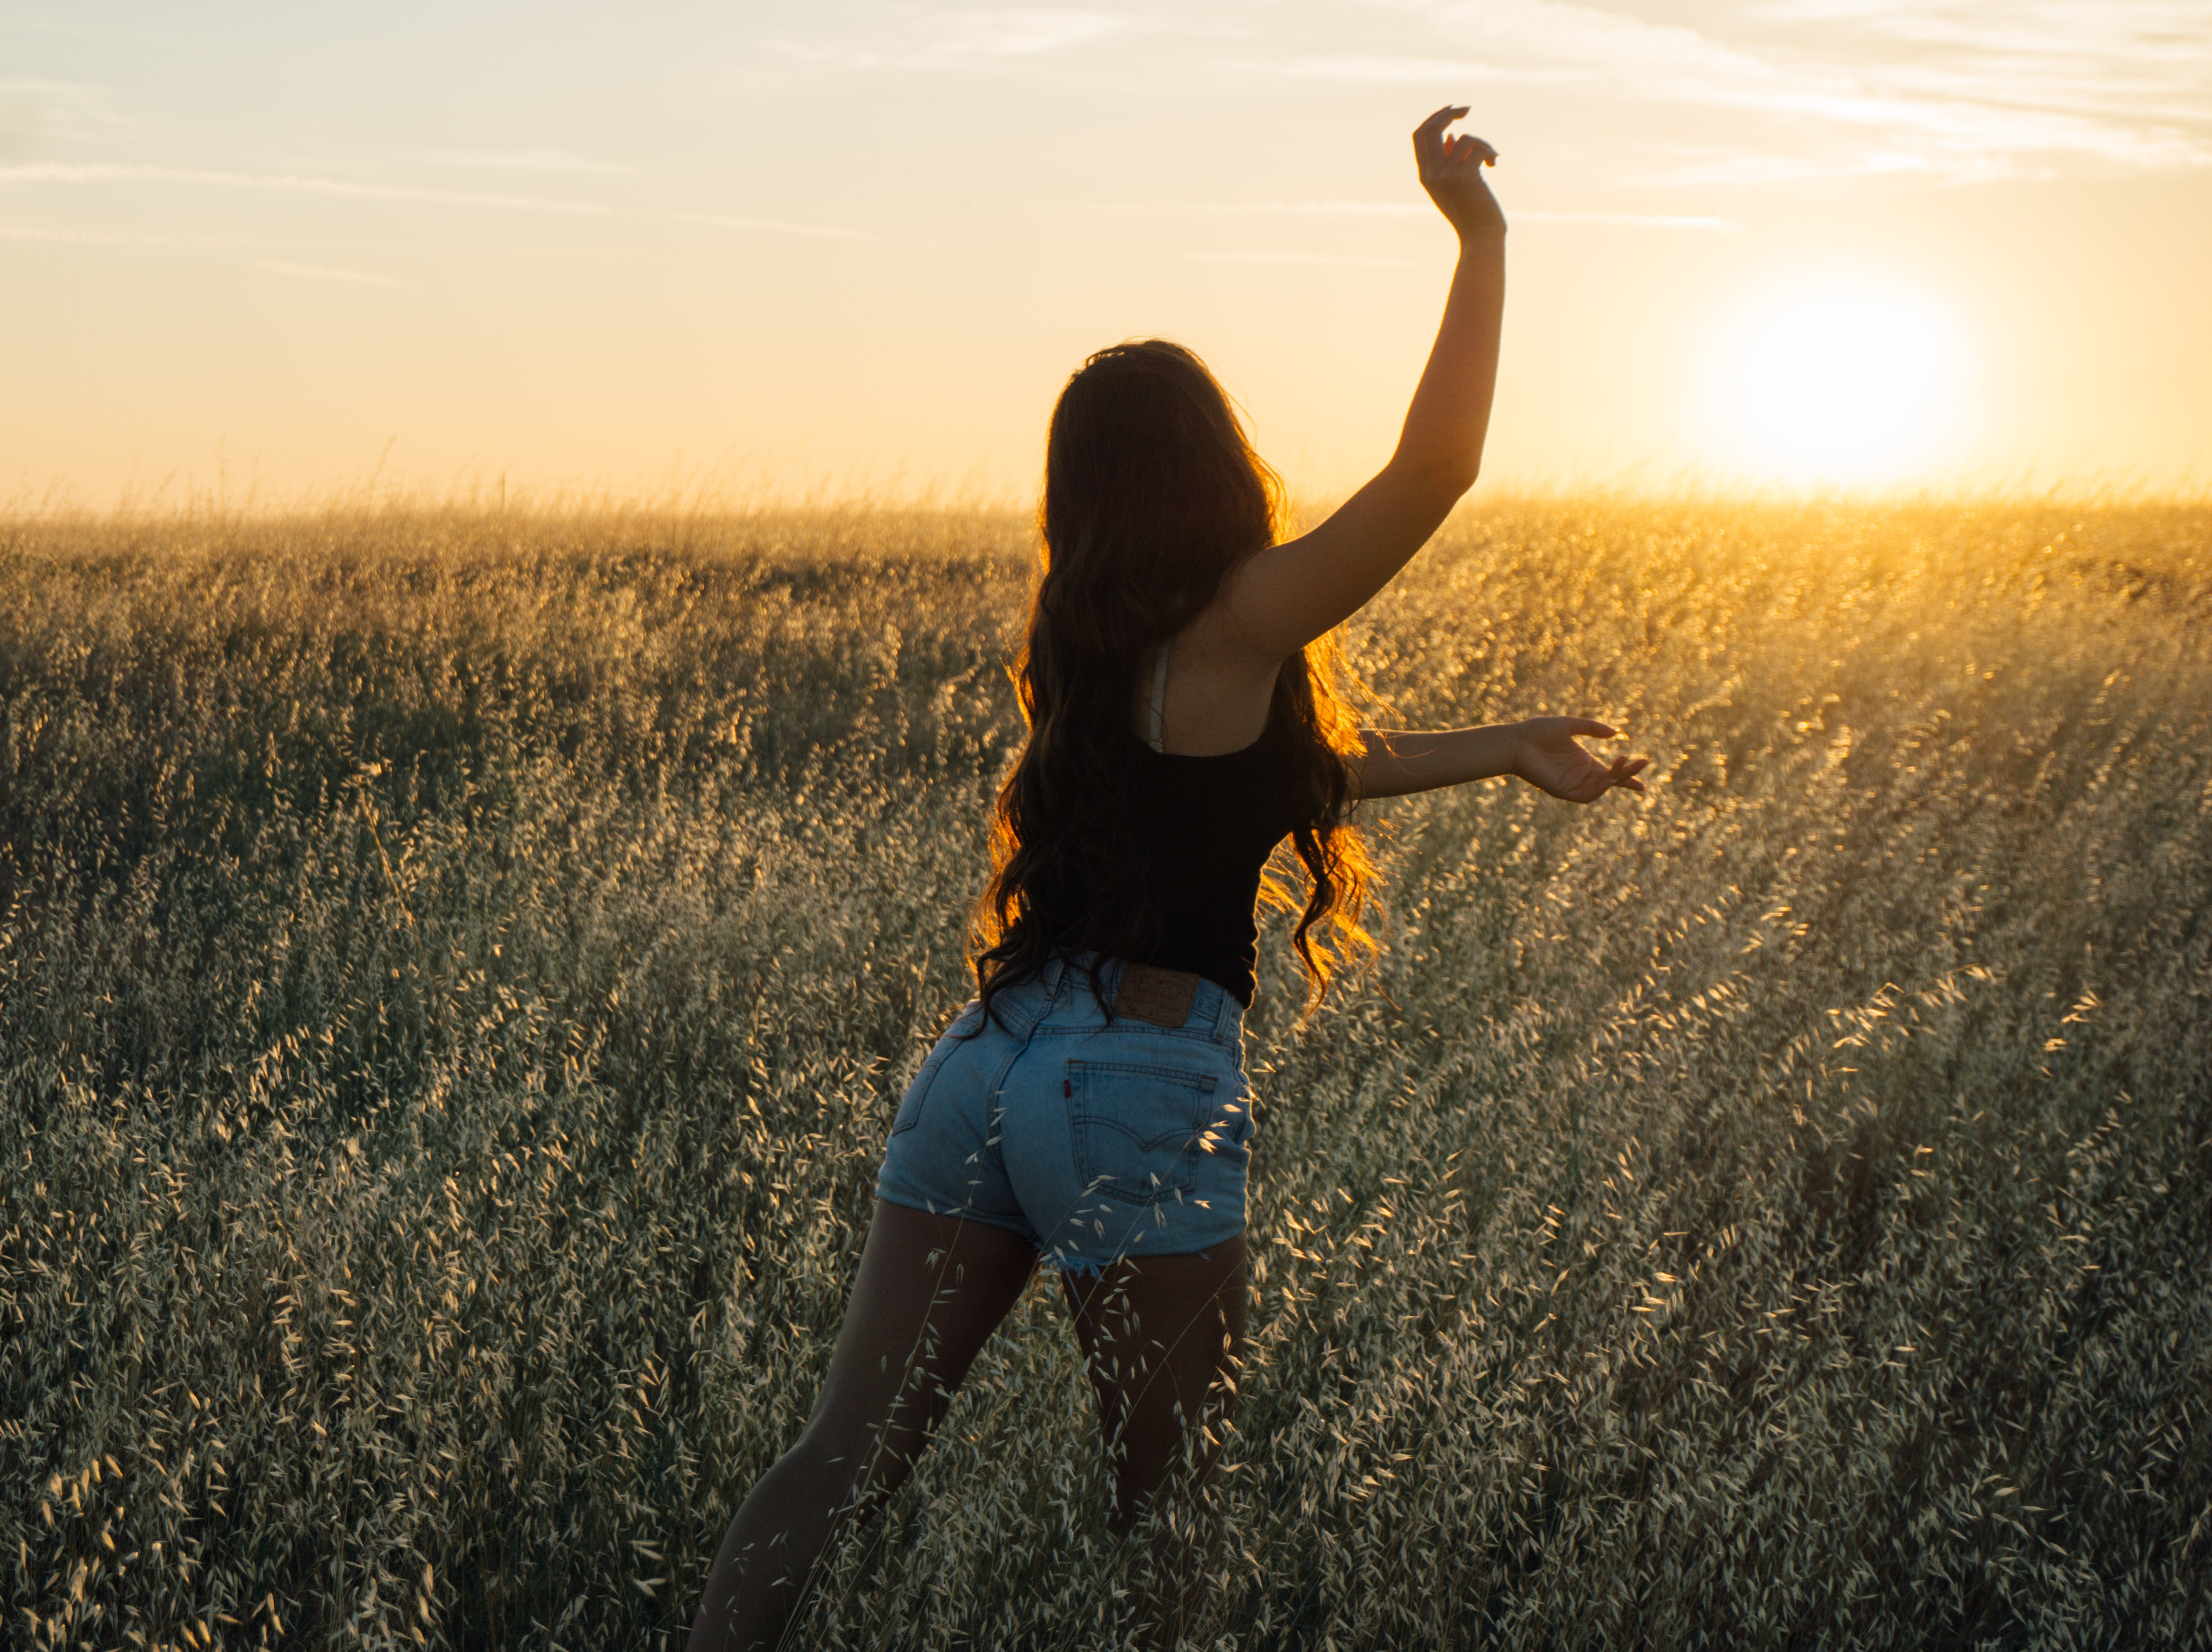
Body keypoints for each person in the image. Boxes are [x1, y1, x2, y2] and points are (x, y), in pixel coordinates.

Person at [686, 106, 1648, 1650]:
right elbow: (1440, 469)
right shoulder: (1241, 617)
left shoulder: (1093, 647)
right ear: (1215, 462)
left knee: (837, 1461)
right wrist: (1485, 245)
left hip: (982, 1065)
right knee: (1174, 1516)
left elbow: (1291, 767)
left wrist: (1506, 745)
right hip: (1135, 1081)